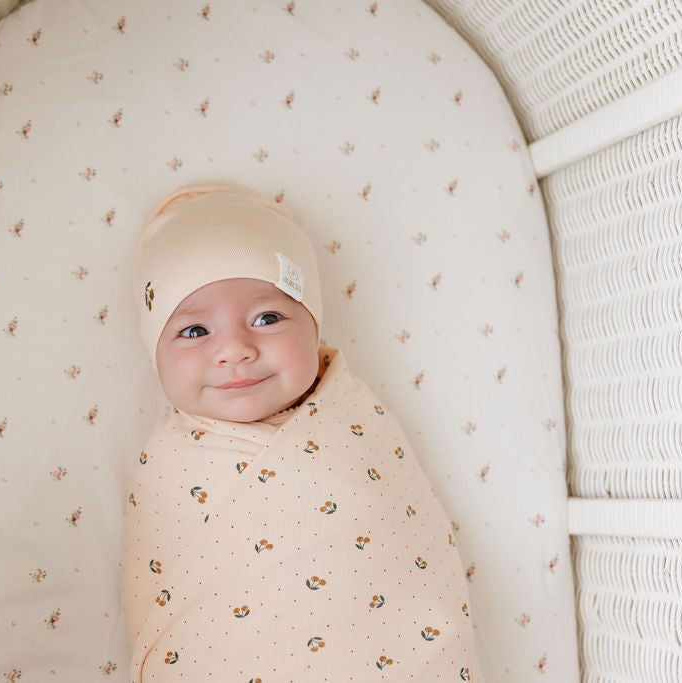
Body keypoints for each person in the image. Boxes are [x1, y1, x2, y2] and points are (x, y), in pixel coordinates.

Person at [122, 183, 483, 681]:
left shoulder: (352, 419)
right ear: (156, 357)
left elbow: (399, 533)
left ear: (313, 326)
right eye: (195, 331)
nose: (235, 349)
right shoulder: (169, 466)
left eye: (267, 317)